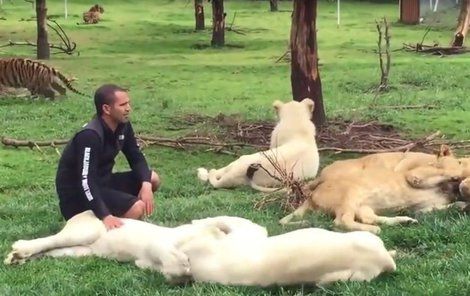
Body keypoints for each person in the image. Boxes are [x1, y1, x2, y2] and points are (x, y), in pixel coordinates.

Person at [55, 84, 160, 230]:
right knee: (137, 207)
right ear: (106, 109)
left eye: (128, 103)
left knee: (151, 178)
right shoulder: (90, 136)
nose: (128, 108)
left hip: (102, 183)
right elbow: (85, 181)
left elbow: (135, 157)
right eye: (123, 104)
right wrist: (104, 214)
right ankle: (109, 231)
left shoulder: (123, 126)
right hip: (78, 196)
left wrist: (146, 185)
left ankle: (119, 215)